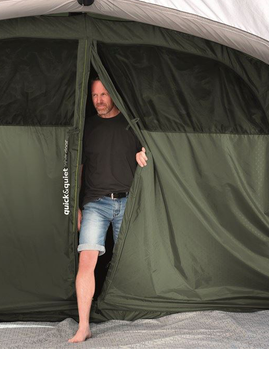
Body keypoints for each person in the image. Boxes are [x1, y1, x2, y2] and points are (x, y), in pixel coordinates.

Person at [68, 78, 148, 343]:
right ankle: (83, 326)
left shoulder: (131, 125)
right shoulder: (88, 127)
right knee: (86, 260)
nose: (99, 100)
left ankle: (137, 315)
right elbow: (78, 170)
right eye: (94, 95)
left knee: (134, 260)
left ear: (113, 94)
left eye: (103, 94)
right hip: (95, 204)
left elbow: (149, 153)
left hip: (128, 202)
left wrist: (142, 154)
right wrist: (77, 207)